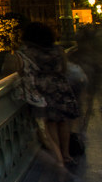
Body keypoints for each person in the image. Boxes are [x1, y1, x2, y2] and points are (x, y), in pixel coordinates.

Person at [4, 22, 81, 168]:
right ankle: (66, 155)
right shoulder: (58, 50)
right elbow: (64, 69)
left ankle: (58, 159)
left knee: (50, 125)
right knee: (63, 122)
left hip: (42, 90)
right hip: (61, 87)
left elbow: (15, 71)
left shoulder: (25, 52)